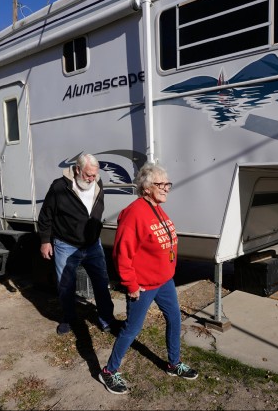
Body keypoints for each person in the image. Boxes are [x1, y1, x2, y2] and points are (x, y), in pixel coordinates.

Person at [98, 162, 198, 395]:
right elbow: (122, 253)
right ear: (145, 188)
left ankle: (174, 364)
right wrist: (131, 284)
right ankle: (109, 371)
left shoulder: (156, 207)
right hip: (143, 284)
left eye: (167, 184)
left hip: (164, 281)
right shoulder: (134, 213)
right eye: (160, 184)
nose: (166, 188)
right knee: (132, 329)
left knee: (174, 318)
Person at [38, 153, 117, 335]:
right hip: (66, 244)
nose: (91, 178)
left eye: (94, 175)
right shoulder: (60, 186)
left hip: (92, 244)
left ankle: (107, 319)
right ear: (77, 169)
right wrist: (45, 241)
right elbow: (46, 215)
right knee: (66, 285)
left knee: (101, 282)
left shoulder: (97, 182)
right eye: (88, 174)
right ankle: (69, 319)